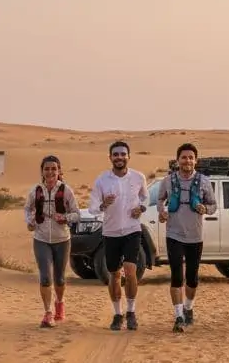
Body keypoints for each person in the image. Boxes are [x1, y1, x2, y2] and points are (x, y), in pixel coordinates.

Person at [89, 140, 149, 331]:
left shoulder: (138, 177)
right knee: (114, 274)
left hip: (132, 230)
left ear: (128, 157)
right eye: (116, 154)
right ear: (110, 157)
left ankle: (131, 312)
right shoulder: (102, 180)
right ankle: (117, 314)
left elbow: (145, 197)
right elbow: (92, 207)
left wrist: (141, 208)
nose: (119, 157)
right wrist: (103, 204)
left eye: (123, 154)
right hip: (111, 232)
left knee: (130, 272)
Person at [157, 143, 217, 332]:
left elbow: (213, 205)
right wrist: (162, 211)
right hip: (174, 234)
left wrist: (205, 209)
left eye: (191, 157)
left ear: (195, 160)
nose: (187, 161)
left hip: (195, 236)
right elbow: (160, 199)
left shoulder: (204, 182)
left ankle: (188, 308)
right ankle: (178, 316)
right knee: (176, 275)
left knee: (192, 277)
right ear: (178, 160)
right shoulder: (168, 181)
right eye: (184, 157)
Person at [25, 155, 81, 328]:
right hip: (41, 239)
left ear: (59, 171)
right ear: (42, 171)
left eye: (53, 169)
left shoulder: (66, 190)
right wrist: (29, 221)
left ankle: (60, 303)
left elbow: (76, 214)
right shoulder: (35, 191)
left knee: (60, 278)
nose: (50, 172)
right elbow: (27, 208)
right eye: (47, 169)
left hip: (62, 239)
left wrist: (64, 217)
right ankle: (48, 313)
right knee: (45, 277)